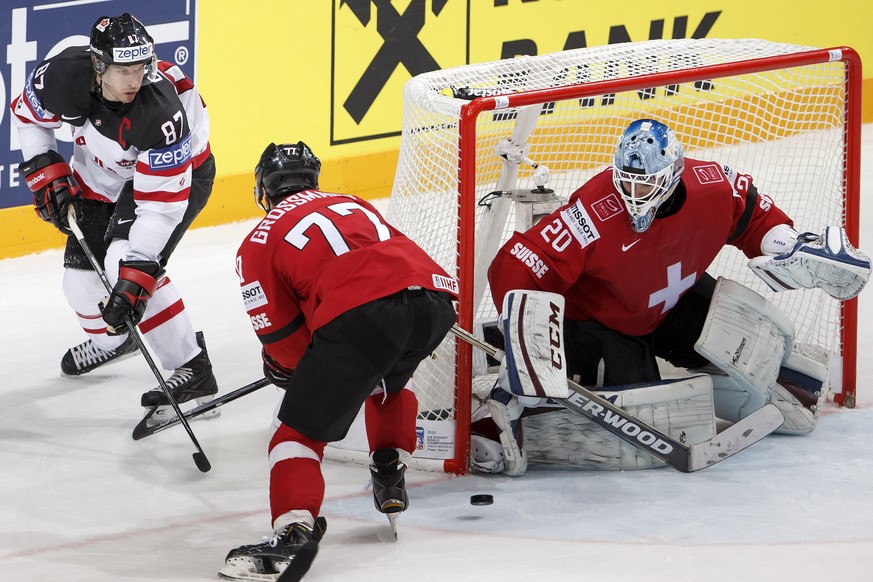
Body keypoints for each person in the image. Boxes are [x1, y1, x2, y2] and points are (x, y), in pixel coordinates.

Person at [479, 118, 870, 475]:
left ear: (673, 173)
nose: (633, 193)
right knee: (645, 422)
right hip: (600, 321)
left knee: (742, 328)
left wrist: (790, 245)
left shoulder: (714, 185)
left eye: (645, 183)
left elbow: (754, 217)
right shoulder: (593, 212)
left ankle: (780, 383)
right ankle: (503, 412)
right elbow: (517, 262)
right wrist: (527, 340)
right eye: (626, 181)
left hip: (672, 302)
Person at [218, 141, 458, 581]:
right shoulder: (349, 201)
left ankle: (291, 536)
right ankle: (389, 467)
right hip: (435, 302)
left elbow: (283, 339)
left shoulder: (258, 239)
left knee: (295, 435)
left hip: (365, 316)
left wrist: (287, 368)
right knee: (383, 379)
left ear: (263, 192)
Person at [10, 13, 217, 422]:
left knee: (124, 265)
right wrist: (46, 166)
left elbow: (159, 208)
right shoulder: (63, 76)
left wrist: (138, 272)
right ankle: (118, 338)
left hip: (174, 181)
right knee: (80, 287)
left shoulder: (160, 113)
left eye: (140, 68)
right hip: (101, 176)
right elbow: (27, 117)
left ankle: (194, 368)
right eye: (123, 69)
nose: (134, 80)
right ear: (98, 65)